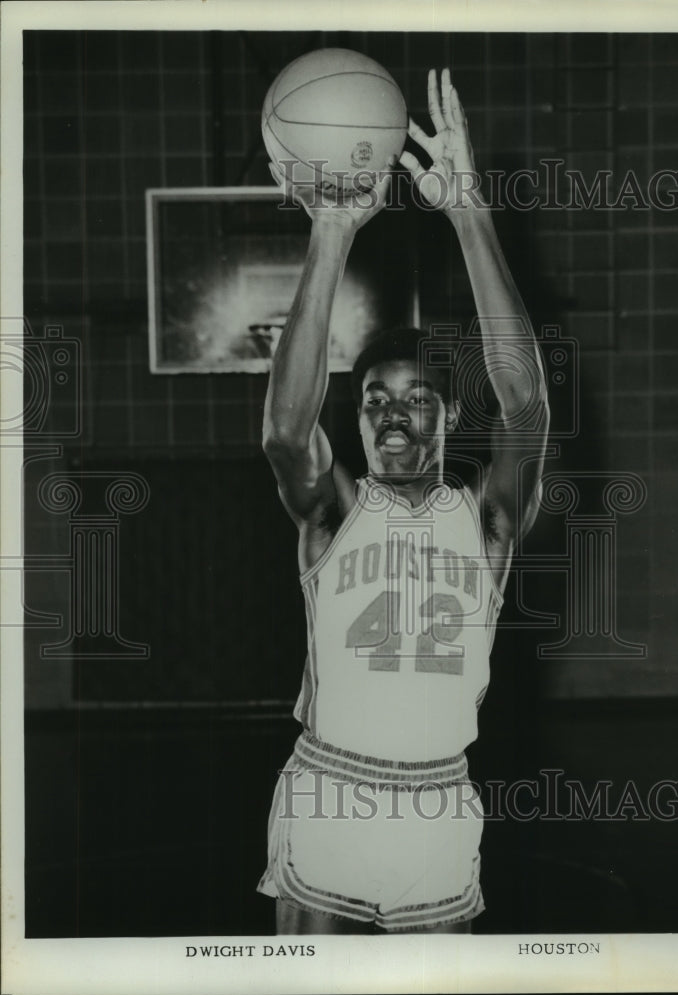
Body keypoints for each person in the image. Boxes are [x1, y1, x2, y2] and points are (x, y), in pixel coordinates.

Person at [258, 68, 549, 934]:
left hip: (436, 797)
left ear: (448, 412)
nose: (391, 409)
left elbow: (527, 406)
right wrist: (331, 234)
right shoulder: (334, 514)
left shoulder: (488, 522)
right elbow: (283, 432)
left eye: (416, 394)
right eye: (374, 396)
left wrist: (466, 212)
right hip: (329, 788)